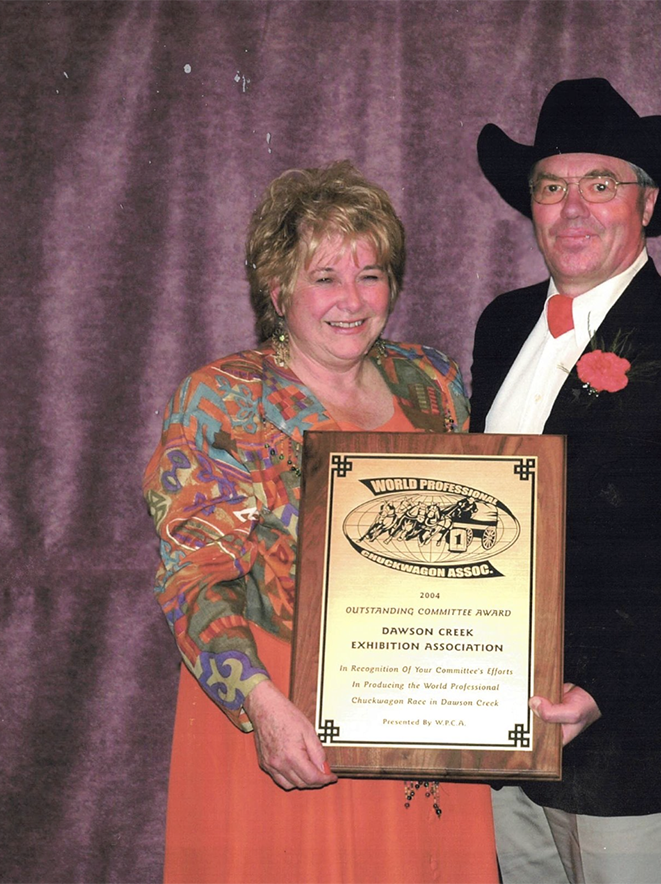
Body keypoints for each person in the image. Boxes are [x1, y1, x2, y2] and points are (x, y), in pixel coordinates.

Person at [143, 160, 497, 884]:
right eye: (325, 277)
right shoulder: (223, 398)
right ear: (277, 291)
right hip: (278, 713)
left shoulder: (429, 380)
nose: (351, 299)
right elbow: (192, 571)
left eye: (370, 275)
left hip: (422, 705)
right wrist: (261, 706)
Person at [470, 78, 661, 883]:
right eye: (551, 186)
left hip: (631, 741)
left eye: (599, 185)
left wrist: (597, 692)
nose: (572, 208)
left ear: (645, 204)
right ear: (528, 205)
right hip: (497, 735)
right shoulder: (500, 326)